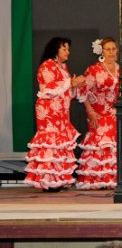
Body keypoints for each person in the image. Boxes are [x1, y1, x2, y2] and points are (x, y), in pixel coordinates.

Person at [24, 37, 85, 191]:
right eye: (64, 49)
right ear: (55, 50)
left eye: (68, 49)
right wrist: (71, 83)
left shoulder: (63, 67)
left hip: (62, 111)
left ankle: (58, 179)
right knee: (50, 143)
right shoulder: (47, 66)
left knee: (59, 143)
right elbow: (49, 88)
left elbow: (67, 92)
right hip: (49, 111)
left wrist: (76, 85)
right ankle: (47, 180)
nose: (68, 52)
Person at [76, 37, 122, 189]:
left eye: (114, 49)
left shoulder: (121, 70)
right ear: (101, 51)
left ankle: (118, 180)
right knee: (102, 144)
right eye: (108, 49)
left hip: (119, 114)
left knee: (120, 143)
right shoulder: (94, 69)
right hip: (99, 113)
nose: (111, 52)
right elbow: (83, 91)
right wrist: (89, 111)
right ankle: (100, 180)